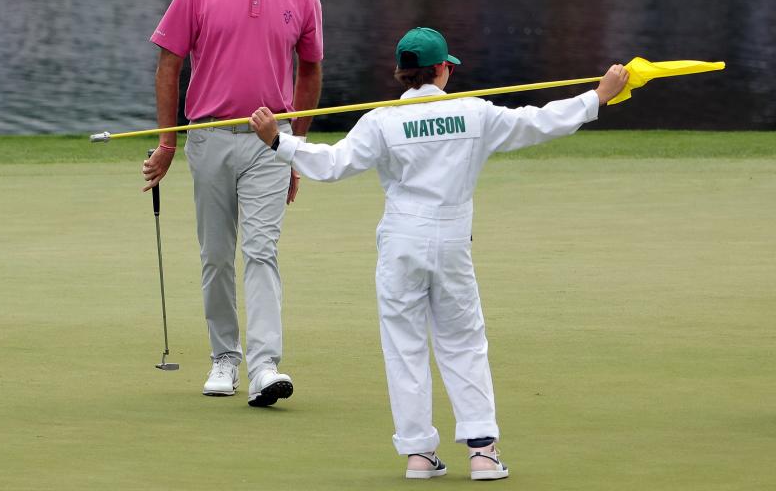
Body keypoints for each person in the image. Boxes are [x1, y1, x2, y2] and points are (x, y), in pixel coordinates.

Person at [249, 27, 628, 479]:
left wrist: (278, 140)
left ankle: (417, 455)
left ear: (401, 74)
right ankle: (483, 452)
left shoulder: (382, 120)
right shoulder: (474, 112)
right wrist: (597, 97)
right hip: (450, 241)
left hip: (401, 242)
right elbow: (539, 121)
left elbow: (331, 165)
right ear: (444, 69)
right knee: (463, 342)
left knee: (404, 346)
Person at [141, 0, 323, 407]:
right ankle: (225, 357)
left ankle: (265, 367)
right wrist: (167, 143)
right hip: (209, 136)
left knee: (261, 252)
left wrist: (297, 148)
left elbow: (310, 71)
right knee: (217, 255)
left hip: (270, 143)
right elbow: (169, 65)